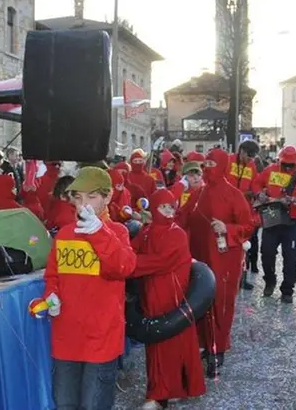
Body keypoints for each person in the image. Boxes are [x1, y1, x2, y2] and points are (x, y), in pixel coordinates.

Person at [41, 167, 137, 410]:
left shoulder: (117, 232)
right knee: (64, 403)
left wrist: (98, 232)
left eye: (92, 197)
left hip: (101, 339)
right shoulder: (64, 235)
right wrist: (51, 295)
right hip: (66, 337)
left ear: (107, 197)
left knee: (94, 404)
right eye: (78, 197)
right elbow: (53, 275)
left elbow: (123, 267)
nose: (83, 204)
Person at [177, 148, 253, 377]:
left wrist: (228, 229)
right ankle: (205, 344)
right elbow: (183, 217)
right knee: (201, 301)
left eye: (212, 163)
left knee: (221, 302)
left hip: (225, 260)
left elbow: (248, 226)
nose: (207, 168)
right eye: (205, 163)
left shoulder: (234, 195)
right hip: (201, 258)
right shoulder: (198, 194)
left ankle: (218, 348)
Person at [131, 189, 206, 409]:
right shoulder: (146, 232)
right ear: (154, 208)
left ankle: (162, 393)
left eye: (171, 207)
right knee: (157, 344)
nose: (168, 211)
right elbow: (132, 249)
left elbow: (161, 261)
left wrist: (129, 265)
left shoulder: (177, 234)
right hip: (152, 296)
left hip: (172, 296)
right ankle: (165, 388)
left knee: (170, 342)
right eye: (163, 207)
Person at [253, 145, 296, 303]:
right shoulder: (270, 169)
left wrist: (295, 200)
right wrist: (260, 194)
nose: (287, 167)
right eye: (284, 164)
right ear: (280, 161)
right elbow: (257, 183)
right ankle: (270, 281)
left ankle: (287, 290)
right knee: (266, 253)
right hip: (272, 215)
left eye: (290, 165)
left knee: (291, 257)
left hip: (292, 219)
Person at [227, 140, 261, 290]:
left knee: (244, 245)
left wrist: (257, 194)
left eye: (253, 157)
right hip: (227, 209)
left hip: (244, 210)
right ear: (241, 151)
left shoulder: (252, 166)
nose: (250, 160)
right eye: (249, 156)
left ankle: (242, 278)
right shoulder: (228, 161)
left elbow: (255, 184)